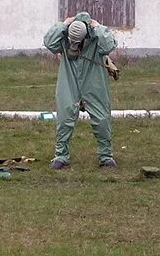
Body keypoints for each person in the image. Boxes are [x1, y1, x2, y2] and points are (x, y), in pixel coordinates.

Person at [44, 12, 119, 169]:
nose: (74, 45)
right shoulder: (64, 37)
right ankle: (61, 156)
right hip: (69, 81)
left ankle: (106, 156)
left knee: (101, 118)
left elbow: (109, 45)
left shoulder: (96, 38)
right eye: (72, 42)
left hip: (94, 82)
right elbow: (50, 43)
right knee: (65, 118)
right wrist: (63, 25)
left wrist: (98, 28)